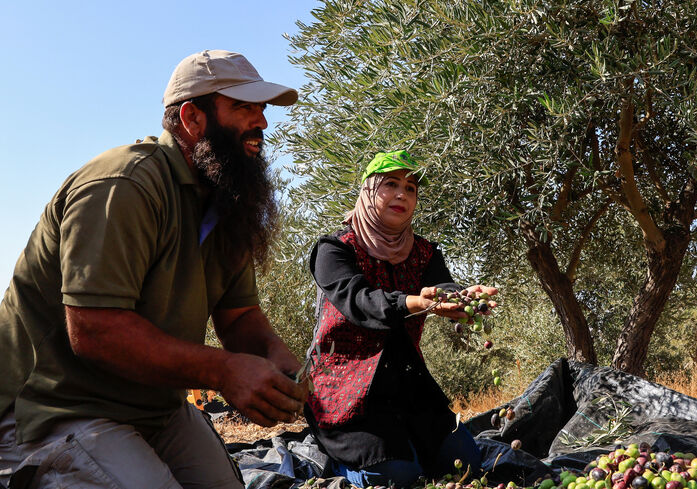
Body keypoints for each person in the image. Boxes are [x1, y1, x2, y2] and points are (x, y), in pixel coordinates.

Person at [0, 50, 308, 489]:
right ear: (192, 118)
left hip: (152, 406)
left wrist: (275, 358)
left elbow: (239, 316)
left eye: (261, 110)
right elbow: (95, 330)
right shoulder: (124, 185)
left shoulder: (228, 200)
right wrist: (224, 371)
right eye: (243, 107)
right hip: (54, 407)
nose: (260, 122)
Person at [303, 150, 499, 488]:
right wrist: (413, 302)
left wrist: (462, 300)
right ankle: (335, 457)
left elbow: (442, 286)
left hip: (407, 386)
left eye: (410, 188)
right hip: (344, 391)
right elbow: (359, 301)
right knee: (396, 477)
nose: (401, 195)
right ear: (367, 191)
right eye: (390, 184)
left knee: (466, 463)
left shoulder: (425, 252)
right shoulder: (334, 250)